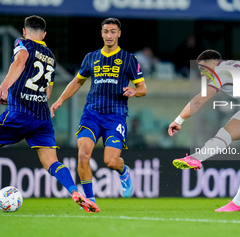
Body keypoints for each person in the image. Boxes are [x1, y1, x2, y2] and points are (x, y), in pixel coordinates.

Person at [0, 15, 99, 213]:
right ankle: (73, 190)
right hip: (42, 118)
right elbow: (47, 91)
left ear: (24, 31)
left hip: (20, 113)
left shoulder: (23, 43)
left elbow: (19, 62)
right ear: (44, 34)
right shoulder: (50, 56)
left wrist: (4, 87)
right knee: (52, 161)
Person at [168, 49, 240, 212]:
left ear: (212, 62)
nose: (202, 74)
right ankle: (196, 158)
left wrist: (178, 120)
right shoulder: (234, 65)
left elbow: (199, 100)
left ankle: (238, 202)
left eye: (202, 69)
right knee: (225, 133)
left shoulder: (221, 72)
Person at [50, 18, 147, 205]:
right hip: (92, 113)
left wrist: (135, 91)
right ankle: (90, 200)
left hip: (115, 116)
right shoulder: (91, 57)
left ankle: (123, 170)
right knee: (83, 154)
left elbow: (143, 88)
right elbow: (77, 81)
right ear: (101, 33)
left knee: (110, 161)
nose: (109, 35)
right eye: (105, 31)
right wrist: (60, 99)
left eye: (112, 31)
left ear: (119, 33)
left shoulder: (129, 59)